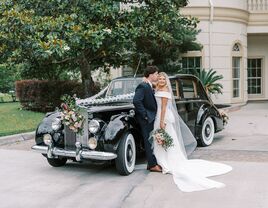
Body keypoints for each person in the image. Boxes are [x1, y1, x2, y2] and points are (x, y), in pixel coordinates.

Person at [152, 72, 232, 192]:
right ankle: (163, 160)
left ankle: (167, 161)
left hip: (163, 117)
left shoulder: (164, 92)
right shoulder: (158, 88)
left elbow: (163, 108)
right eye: (160, 78)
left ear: (166, 81)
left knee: (166, 138)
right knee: (166, 138)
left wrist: (162, 122)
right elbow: (151, 84)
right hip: (160, 116)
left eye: (164, 79)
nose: (162, 80)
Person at [133, 66, 162, 172]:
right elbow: (136, 101)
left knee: (151, 141)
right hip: (146, 119)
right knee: (148, 141)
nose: (157, 76)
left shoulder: (148, 85)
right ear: (151, 75)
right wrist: (145, 115)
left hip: (150, 118)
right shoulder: (143, 86)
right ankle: (152, 165)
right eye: (156, 74)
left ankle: (151, 163)